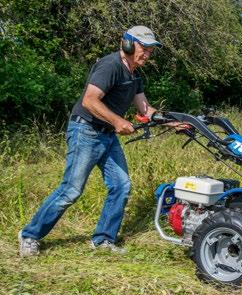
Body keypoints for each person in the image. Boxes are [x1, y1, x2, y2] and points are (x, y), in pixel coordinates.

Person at [18, 26, 167, 256]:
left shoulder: (135, 74)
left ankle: (104, 240)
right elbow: (89, 101)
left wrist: (172, 122)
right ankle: (30, 235)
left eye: (150, 50)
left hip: (107, 134)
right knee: (71, 190)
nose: (147, 54)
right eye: (143, 48)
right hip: (85, 131)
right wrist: (118, 122)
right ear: (127, 44)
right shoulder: (110, 66)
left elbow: (145, 109)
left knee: (121, 185)